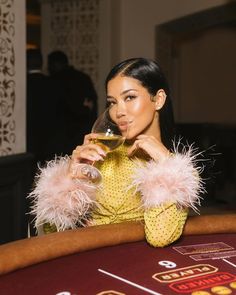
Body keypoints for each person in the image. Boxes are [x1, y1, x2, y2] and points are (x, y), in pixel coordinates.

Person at [29, 58, 204, 247]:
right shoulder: (101, 155)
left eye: (129, 97)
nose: (118, 111)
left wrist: (167, 166)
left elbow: (159, 236)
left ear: (158, 99)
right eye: (112, 102)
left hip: (138, 269)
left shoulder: (179, 173)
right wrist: (68, 181)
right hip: (90, 264)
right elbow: (51, 234)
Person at [47, 50, 98, 154]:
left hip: (59, 138)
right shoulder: (83, 78)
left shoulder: (53, 81)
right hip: (83, 135)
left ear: (55, 64)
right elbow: (93, 105)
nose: (48, 68)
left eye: (50, 65)